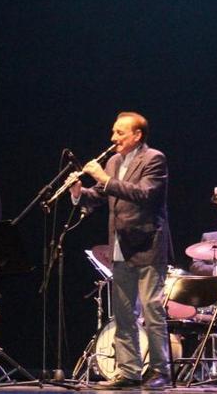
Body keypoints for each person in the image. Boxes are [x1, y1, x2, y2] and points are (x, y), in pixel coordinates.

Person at [70, 112, 173, 389]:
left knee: (152, 310)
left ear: (137, 135)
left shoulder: (154, 159)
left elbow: (143, 194)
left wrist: (102, 177)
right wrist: (79, 192)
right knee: (123, 313)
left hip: (148, 245)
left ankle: (161, 371)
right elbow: (102, 195)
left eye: (120, 133)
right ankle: (129, 372)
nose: (113, 138)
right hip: (120, 244)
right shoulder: (115, 161)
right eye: (113, 132)